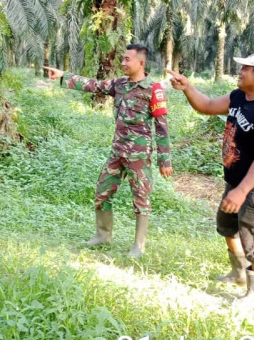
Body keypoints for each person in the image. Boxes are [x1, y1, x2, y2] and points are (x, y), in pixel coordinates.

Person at [167, 52, 254, 307]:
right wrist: (188, 87)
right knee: (227, 225)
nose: (240, 72)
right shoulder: (238, 97)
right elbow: (208, 106)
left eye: (245, 68)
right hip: (236, 182)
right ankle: (239, 273)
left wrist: (242, 190)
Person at [44, 44, 172, 257]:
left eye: (127, 59)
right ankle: (102, 235)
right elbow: (94, 85)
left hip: (138, 155)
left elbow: (161, 125)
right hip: (117, 152)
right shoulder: (119, 84)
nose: (122, 63)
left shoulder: (153, 88)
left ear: (141, 63)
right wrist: (63, 76)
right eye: (122, 59)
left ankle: (139, 246)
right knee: (102, 192)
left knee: (141, 197)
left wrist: (164, 160)